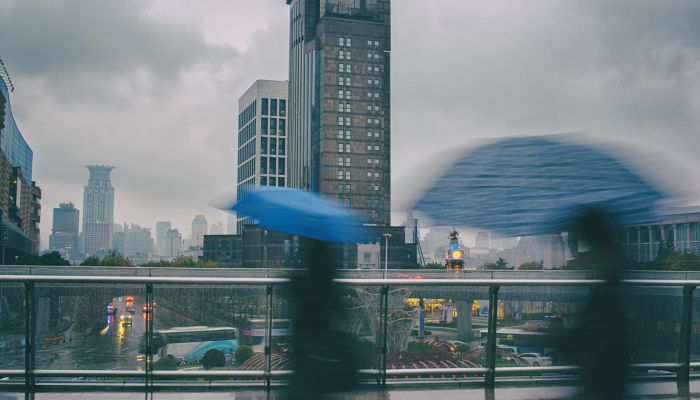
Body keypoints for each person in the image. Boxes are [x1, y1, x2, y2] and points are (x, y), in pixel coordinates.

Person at [564, 208, 630, 400]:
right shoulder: (612, 274)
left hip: (605, 369)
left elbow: (601, 326)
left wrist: (566, 339)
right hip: (608, 369)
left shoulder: (609, 282)